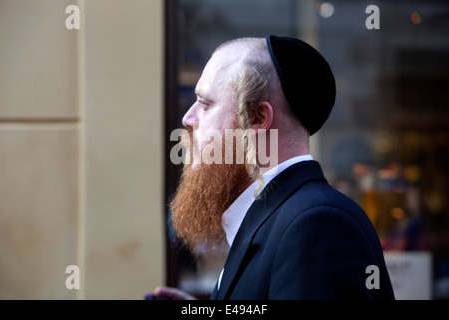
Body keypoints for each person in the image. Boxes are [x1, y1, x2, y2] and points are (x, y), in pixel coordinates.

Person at [156, 36, 395, 300]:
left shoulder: (316, 225)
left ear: (257, 119)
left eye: (205, 104)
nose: (188, 119)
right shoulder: (277, 217)